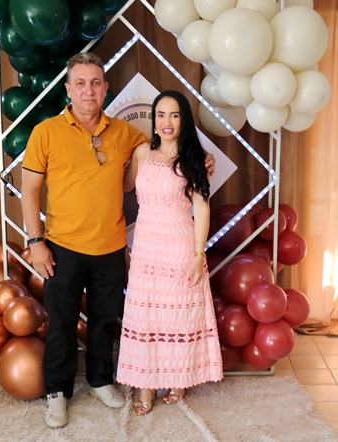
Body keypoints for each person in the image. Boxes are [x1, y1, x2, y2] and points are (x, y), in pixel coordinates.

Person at [21, 53, 214, 429]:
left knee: (104, 321)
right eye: (80, 83)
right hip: (62, 245)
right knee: (60, 322)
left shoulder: (126, 134)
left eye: (95, 83)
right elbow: (29, 190)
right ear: (68, 89)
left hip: (111, 246)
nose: (88, 90)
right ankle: (57, 393)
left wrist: (200, 158)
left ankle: (100, 381)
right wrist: (35, 240)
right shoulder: (45, 132)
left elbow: (168, 150)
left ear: (106, 88)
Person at [115, 90, 224, 416]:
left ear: (183, 120)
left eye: (174, 115)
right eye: (160, 115)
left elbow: (202, 208)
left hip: (179, 245)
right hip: (146, 247)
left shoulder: (194, 158)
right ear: (153, 120)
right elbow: (124, 186)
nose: (166, 121)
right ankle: (145, 385)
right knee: (146, 316)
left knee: (178, 317)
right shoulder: (141, 153)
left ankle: (179, 379)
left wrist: (198, 255)